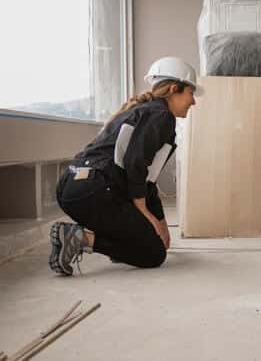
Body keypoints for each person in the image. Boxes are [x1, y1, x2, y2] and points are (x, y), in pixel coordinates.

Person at [49, 57, 201, 275]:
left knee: (150, 237)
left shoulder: (142, 111)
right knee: (153, 253)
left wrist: (161, 223)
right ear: (174, 89)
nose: (193, 101)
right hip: (94, 190)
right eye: (191, 93)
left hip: (71, 187)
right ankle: (80, 238)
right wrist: (145, 214)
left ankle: (122, 240)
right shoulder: (162, 116)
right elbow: (135, 164)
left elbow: (147, 179)